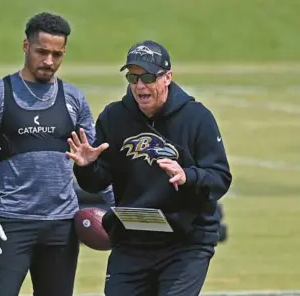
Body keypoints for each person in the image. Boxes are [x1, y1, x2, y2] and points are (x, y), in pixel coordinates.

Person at [67, 40, 232, 296]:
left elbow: (220, 178)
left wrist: (187, 175)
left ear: (168, 77)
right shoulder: (114, 117)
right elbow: (97, 183)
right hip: (133, 239)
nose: (140, 85)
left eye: (148, 77)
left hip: (185, 242)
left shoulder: (197, 118)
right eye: (133, 77)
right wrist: (87, 167)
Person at [0, 12, 114, 296]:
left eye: (57, 54)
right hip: (11, 224)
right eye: (42, 52)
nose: (49, 61)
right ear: (26, 46)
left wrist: (120, 208)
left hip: (61, 227)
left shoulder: (73, 99)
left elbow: (96, 163)